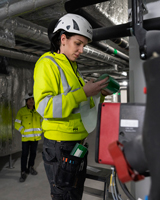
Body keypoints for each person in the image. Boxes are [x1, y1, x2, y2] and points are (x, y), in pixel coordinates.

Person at [33, 13, 110, 200]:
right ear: (63, 39)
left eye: (84, 45)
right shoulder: (47, 63)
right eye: (78, 43)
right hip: (60, 144)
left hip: (75, 142)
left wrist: (97, 93)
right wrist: (83, 92)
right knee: (65, 194)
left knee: (74, 193)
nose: (82, 50)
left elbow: (79, 105)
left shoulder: (73, 68)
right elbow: (45, 106)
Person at [14, 92, 43, 182]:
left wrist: (41, 130)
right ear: (26, 101)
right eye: (29, 99)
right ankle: (23, 172)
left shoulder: (38, 110)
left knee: (33, 154)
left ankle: (31, 167)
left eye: (32, 99)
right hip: (26, 138)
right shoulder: (21, 111)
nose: (31, 101)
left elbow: (43, 122)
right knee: (24, 155)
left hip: (35, 138)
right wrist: (23, 131)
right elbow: (17, 124)